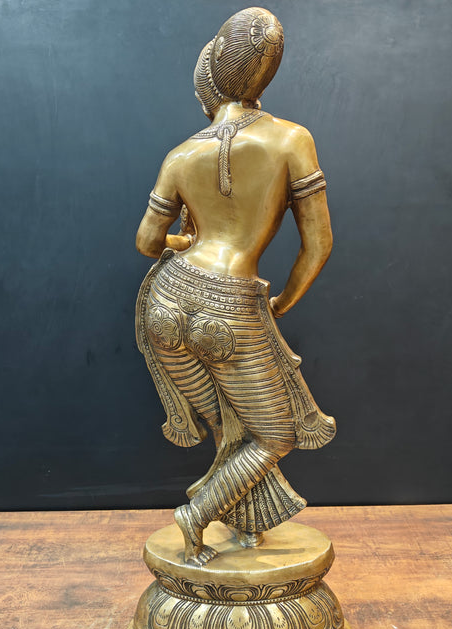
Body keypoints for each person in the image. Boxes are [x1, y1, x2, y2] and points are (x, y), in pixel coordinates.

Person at [135, 7, 336, 566]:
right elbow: (318, 244)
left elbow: (147, 243)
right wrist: (282, 302)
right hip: (228, 305)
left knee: (234, 424)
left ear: (209, 82)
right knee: (273, 435)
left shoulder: (182, 154)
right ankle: (196, 516)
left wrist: (186, 242)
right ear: (264, 79)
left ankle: (244, 525)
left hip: (167, 299)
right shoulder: (292, 140)